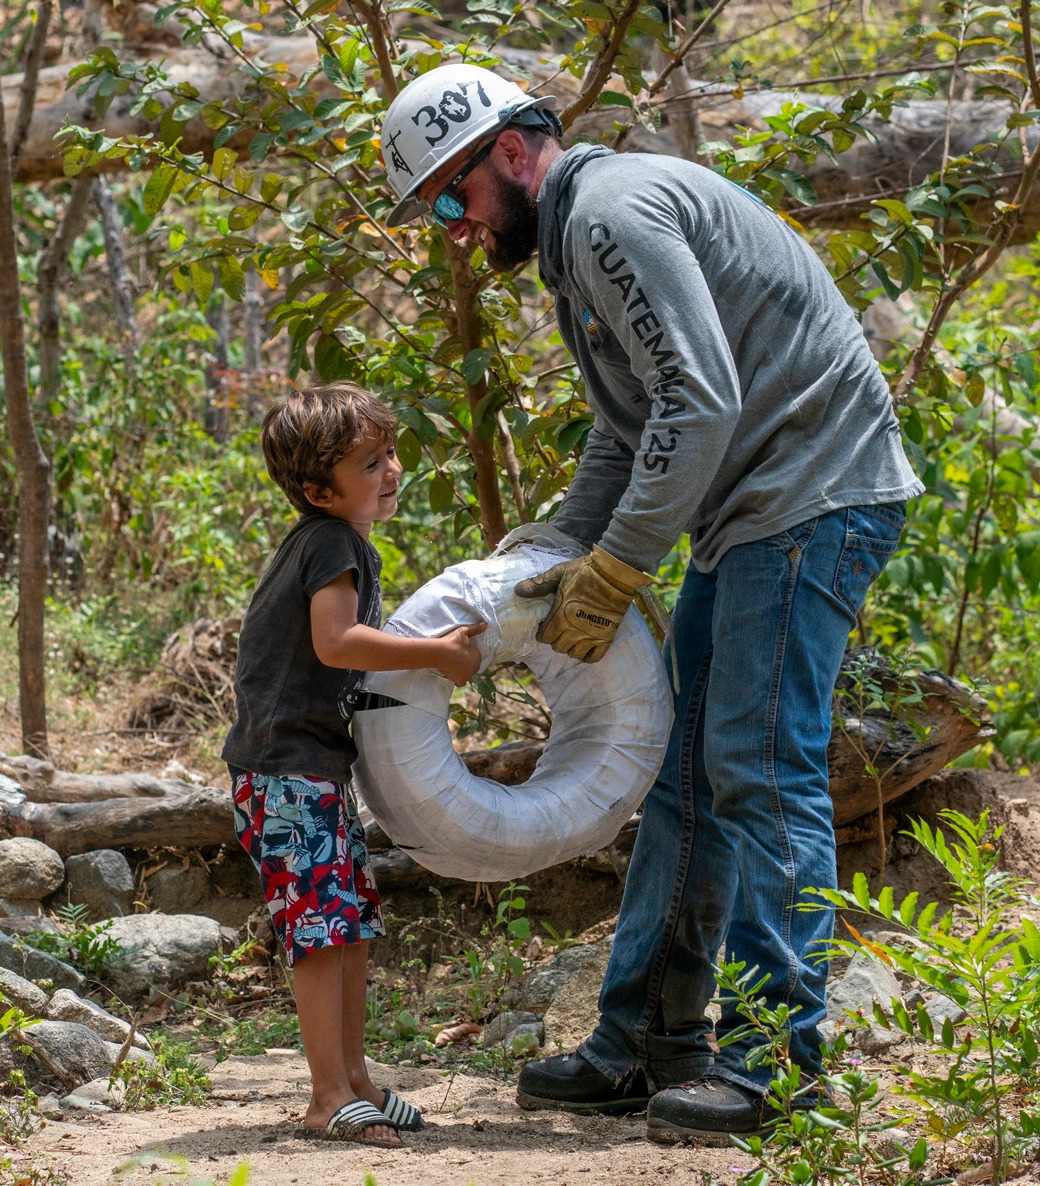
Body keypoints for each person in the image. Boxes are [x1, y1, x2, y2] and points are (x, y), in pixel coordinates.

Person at [379, 66, 924, 1144]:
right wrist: (547, 551)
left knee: (758, 773)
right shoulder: (580, 241)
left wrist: (619, 566)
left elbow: (699, 398)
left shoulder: (613, 214)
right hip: (754, 511)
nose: (449, 229)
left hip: (809, 497)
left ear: (507, 151)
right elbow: (629, 427)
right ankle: (643, 1045)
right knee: (683, 777)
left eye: (450, 199)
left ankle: (777, 1066)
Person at [222, 383, 486, 1146]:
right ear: (317, 491)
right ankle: (327, 1094)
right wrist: (436, 653)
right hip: (284, 772)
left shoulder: (340, 544)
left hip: (311, 769)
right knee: (321, 930)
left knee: (350, 927)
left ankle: (356, 1081)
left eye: (389, 453)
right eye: (371, 463)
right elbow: (337, 644)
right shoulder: (331, 544)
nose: (393, 470)